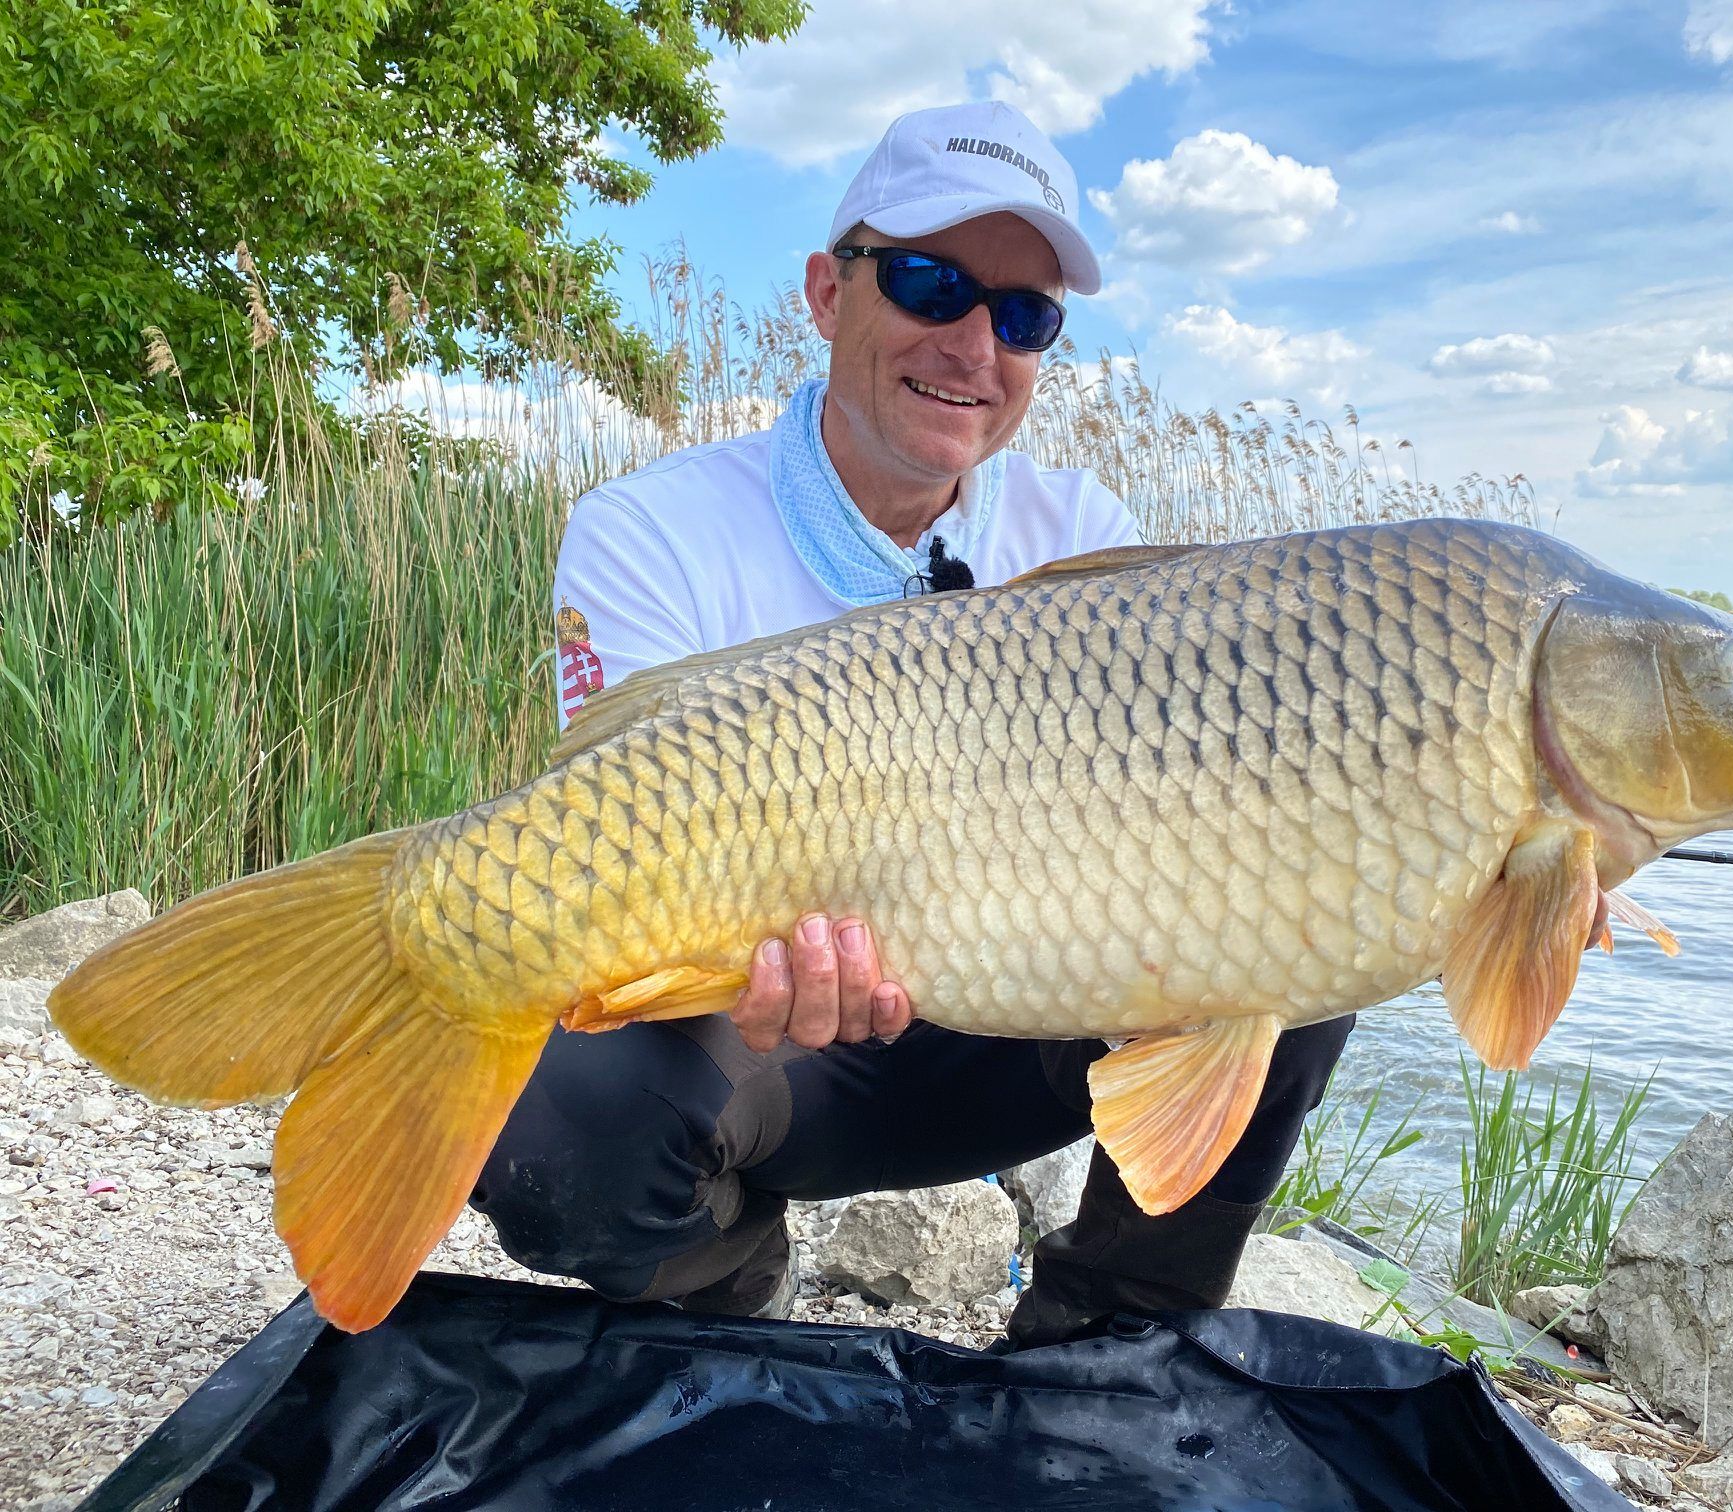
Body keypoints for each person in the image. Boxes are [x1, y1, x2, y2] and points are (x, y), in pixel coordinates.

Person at [471, 100, 1357, 1348]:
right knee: (552, 1114)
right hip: (770, 1041)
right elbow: (628, 884)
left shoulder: (1087, 538)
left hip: (1029, 1028)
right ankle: (724, 1284)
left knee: (1303, 927)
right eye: (932, 282)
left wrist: (1501, 863)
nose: (973, 343)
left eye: (1024, 314)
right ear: (830, 293)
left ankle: (1107, 1341)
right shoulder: (650, 529)